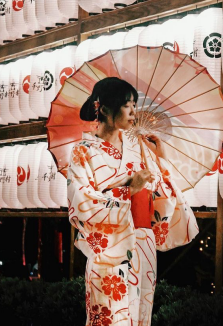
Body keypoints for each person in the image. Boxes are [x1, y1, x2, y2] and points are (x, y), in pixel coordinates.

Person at [67, 77, 198, 326]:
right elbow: (81, 201)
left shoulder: (139, 147)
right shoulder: (83, 151)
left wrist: (160, 159)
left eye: (134, 105)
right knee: (109, 317)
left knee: (141, 317)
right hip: (109, 246)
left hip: (142, 242)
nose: (133, 112)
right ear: (104, 109)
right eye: (127, 105)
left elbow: (161, 197)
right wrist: (129, 189)